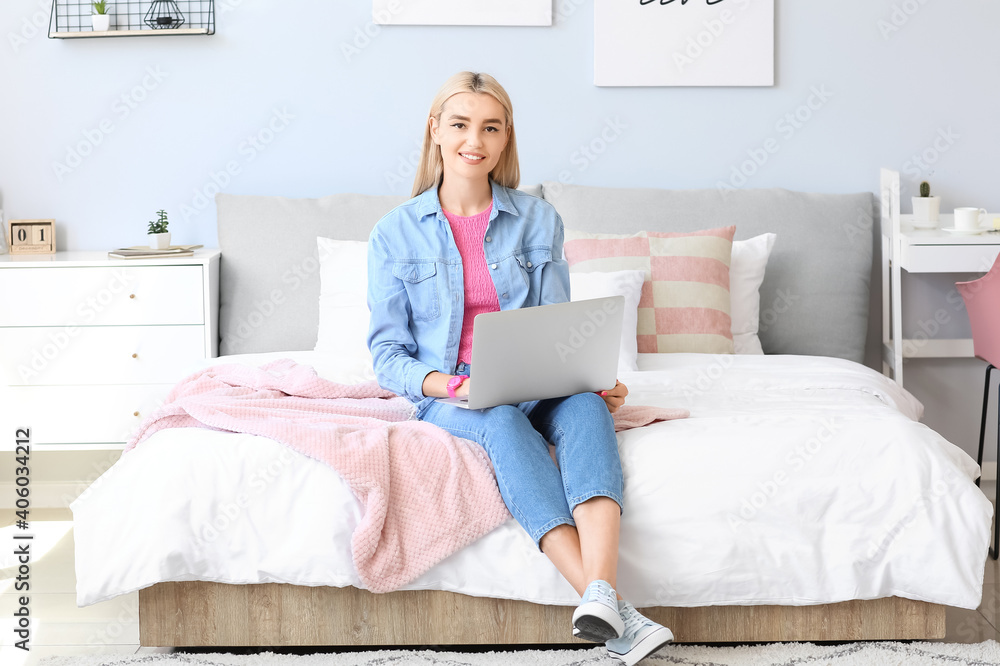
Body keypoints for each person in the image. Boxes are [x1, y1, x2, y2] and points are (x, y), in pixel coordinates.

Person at [366, 71, 673, 665]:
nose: (472, 140)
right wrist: (450, 383)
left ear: (505, 139)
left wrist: (592, 378)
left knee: (585, 408)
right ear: (435, 132)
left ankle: (602, 593)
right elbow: (387, 356)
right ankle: (606, 603)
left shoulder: (538, 220)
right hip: (450, 391)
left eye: (490, 127)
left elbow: (558, 325)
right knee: (501, 420)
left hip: (536, 377)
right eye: (459, 125)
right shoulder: (394, 233)